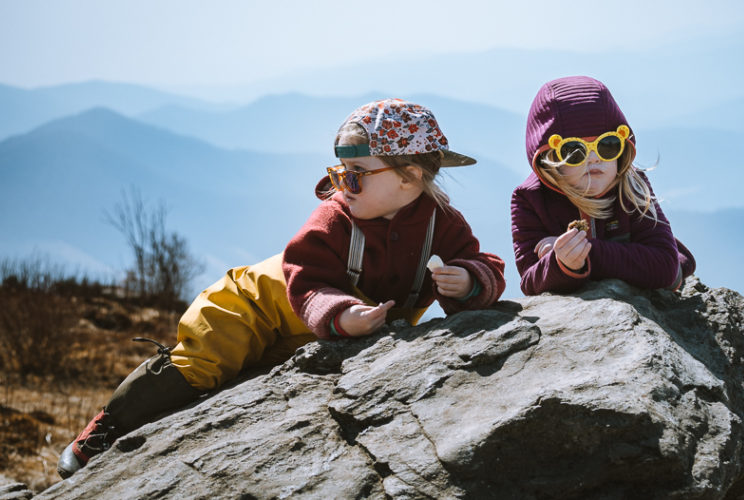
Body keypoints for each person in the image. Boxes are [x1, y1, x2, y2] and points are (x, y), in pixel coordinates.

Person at [58, 98, 506, 479]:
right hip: (254, 306)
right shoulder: (333, 220)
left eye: (356, 173)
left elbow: (482, 264)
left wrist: (468, 282)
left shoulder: (442, 224)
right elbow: (306, 277)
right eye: (339, 172)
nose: (341, 185)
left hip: (309, 337)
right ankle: (106, 430)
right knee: (203, 363)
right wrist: (341, 315)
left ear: (408, 176)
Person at [511, 75, 694, 295]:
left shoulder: (631, 185)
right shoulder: (530, 200)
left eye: (608, 145)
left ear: (622, 147)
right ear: (548, 159)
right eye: (574, 151)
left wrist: (587, 254)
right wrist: (561, 263)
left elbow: (664, 267)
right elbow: (530, 282)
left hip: (647, 280)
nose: (594, 158)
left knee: (672, 268)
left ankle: (674, 249)